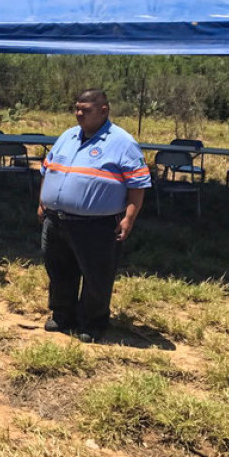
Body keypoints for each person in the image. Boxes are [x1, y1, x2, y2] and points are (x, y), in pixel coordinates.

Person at [38, 89, 151, 342]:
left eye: (85, 109)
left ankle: (92, 322)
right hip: (56, 219)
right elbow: (48, 170)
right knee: (59, 270)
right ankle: (63, 314)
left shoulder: (122, 142)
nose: (79, 114)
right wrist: (42, 202)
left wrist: (129, 218)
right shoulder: (67, 136)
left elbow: (138, 185)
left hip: (97, 225)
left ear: (103, 110)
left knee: (96, 274)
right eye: (77, 108)